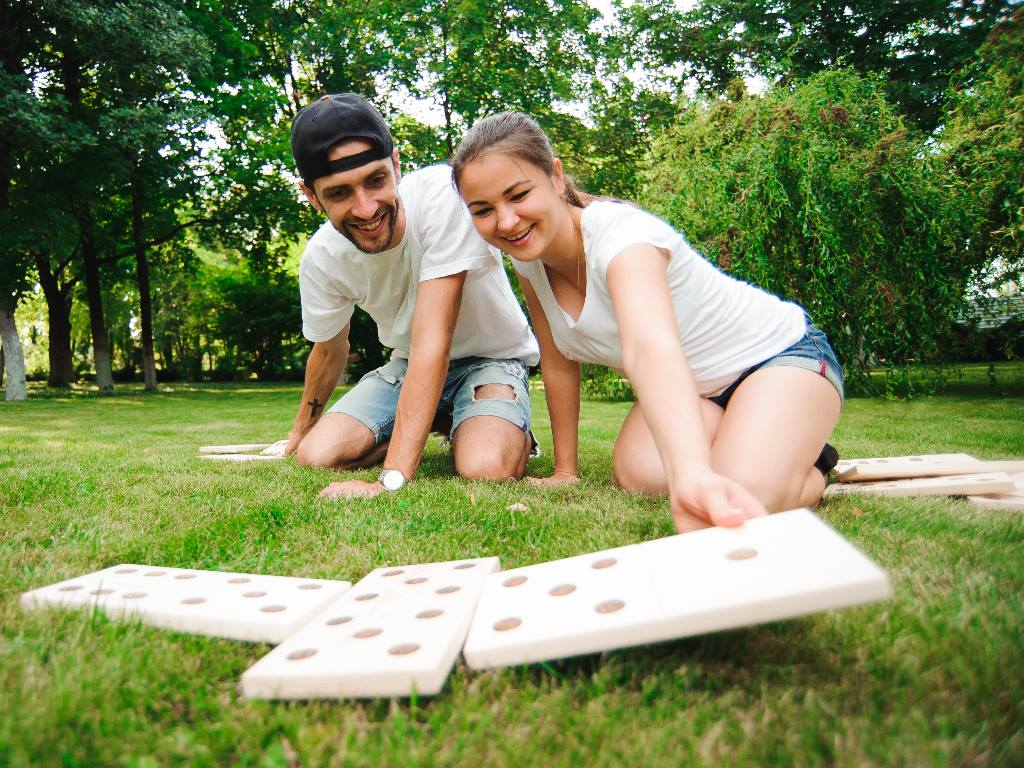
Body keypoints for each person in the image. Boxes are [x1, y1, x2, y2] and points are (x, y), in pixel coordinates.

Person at [451, 112, 843, 533]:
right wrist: (566, 468)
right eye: (484, 209)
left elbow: (648, 346)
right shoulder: (528, 261)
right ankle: (762, 443)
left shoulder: (623, 238)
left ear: (556, 177)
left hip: (778, 358)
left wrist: (692, 472)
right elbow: (559, 360)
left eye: (518, 194)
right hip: (698, 394)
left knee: (736, 491)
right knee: (641, 476)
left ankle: (814, 465)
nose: (506, 221)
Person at [286, 95, 539, 498]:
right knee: (318, 455)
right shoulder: (321, 260)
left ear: (397, 166)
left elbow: (433, 342)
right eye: (339, 193)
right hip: (406, 368)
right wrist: (300, 431)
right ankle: (442, 421)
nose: (366, 208)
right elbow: (329, 349)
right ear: (312, 196)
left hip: (490, 358)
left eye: (376, 180)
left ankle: (487, 425)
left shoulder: (444, 196)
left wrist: (391, 480)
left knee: (486, 468)